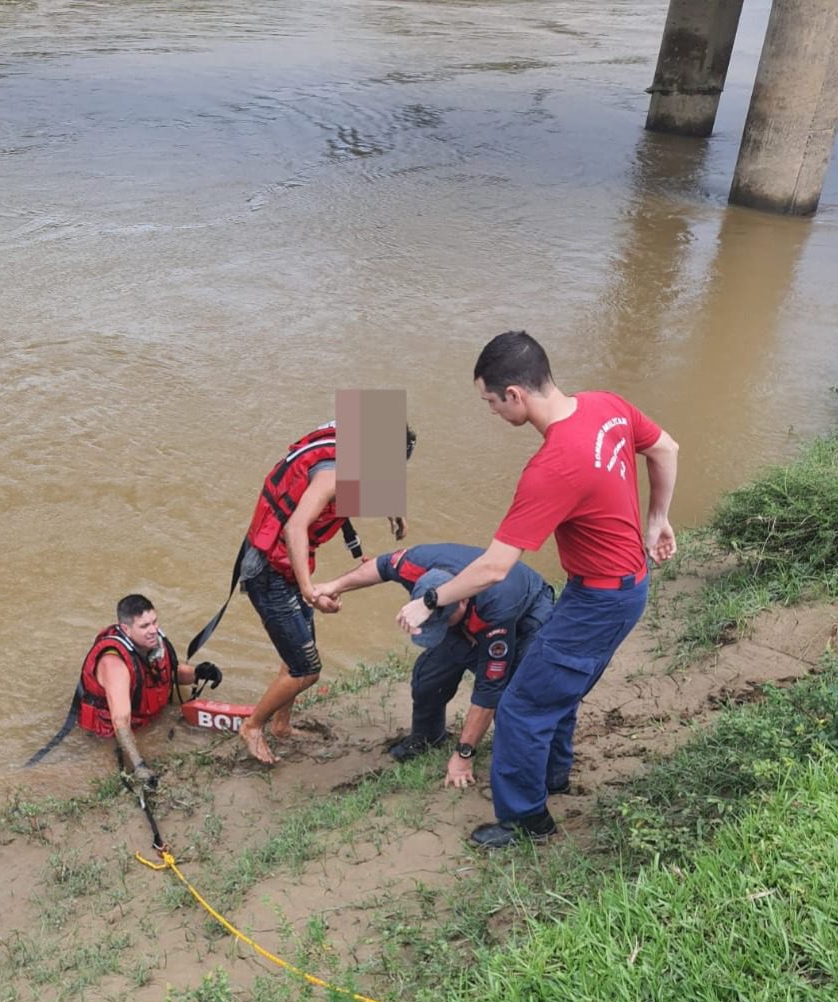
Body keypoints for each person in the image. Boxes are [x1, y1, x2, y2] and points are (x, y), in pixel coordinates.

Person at [397, 331, 678, 848]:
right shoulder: (605, 406)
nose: (490, 411)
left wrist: (431, 600)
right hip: (619, 586)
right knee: (557, 687)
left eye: (489, 401)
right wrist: (657, 519)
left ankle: (528, 821)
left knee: (522, 704)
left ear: (516, 396)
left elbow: (494, 568)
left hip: (600, 601)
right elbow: (664, 448)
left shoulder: (553, 467)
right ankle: (552, 777)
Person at [237, 421, 415, 766]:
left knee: (296, 652)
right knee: (306, 669)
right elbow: (295, 526)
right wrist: (308, 590)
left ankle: (282, 726)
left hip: (287, 566)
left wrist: (395, 509)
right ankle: (252, 726)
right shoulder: (332, 477)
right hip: (269, 572)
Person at [314, 542, 554, 785]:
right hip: (466, 614)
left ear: (461, 602)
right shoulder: (416, 563)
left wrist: (463, 755)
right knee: (428, 679)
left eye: (443, 624)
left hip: (527, 610)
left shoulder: (496, 608)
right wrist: (334, 586)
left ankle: (533, 768)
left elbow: (489, 690)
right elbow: (380, 566)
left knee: (517, 695)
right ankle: (429, 736)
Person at [78, 594, 221, 791]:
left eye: (154, 622)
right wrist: (139, 766)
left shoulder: (150, 643)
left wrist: (198, 673)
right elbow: (120, 721)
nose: (153, 630)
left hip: (149, 719)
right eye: (144, 626)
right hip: (107, 735)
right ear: (126, 629)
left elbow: (167, 673)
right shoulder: (115, 665)